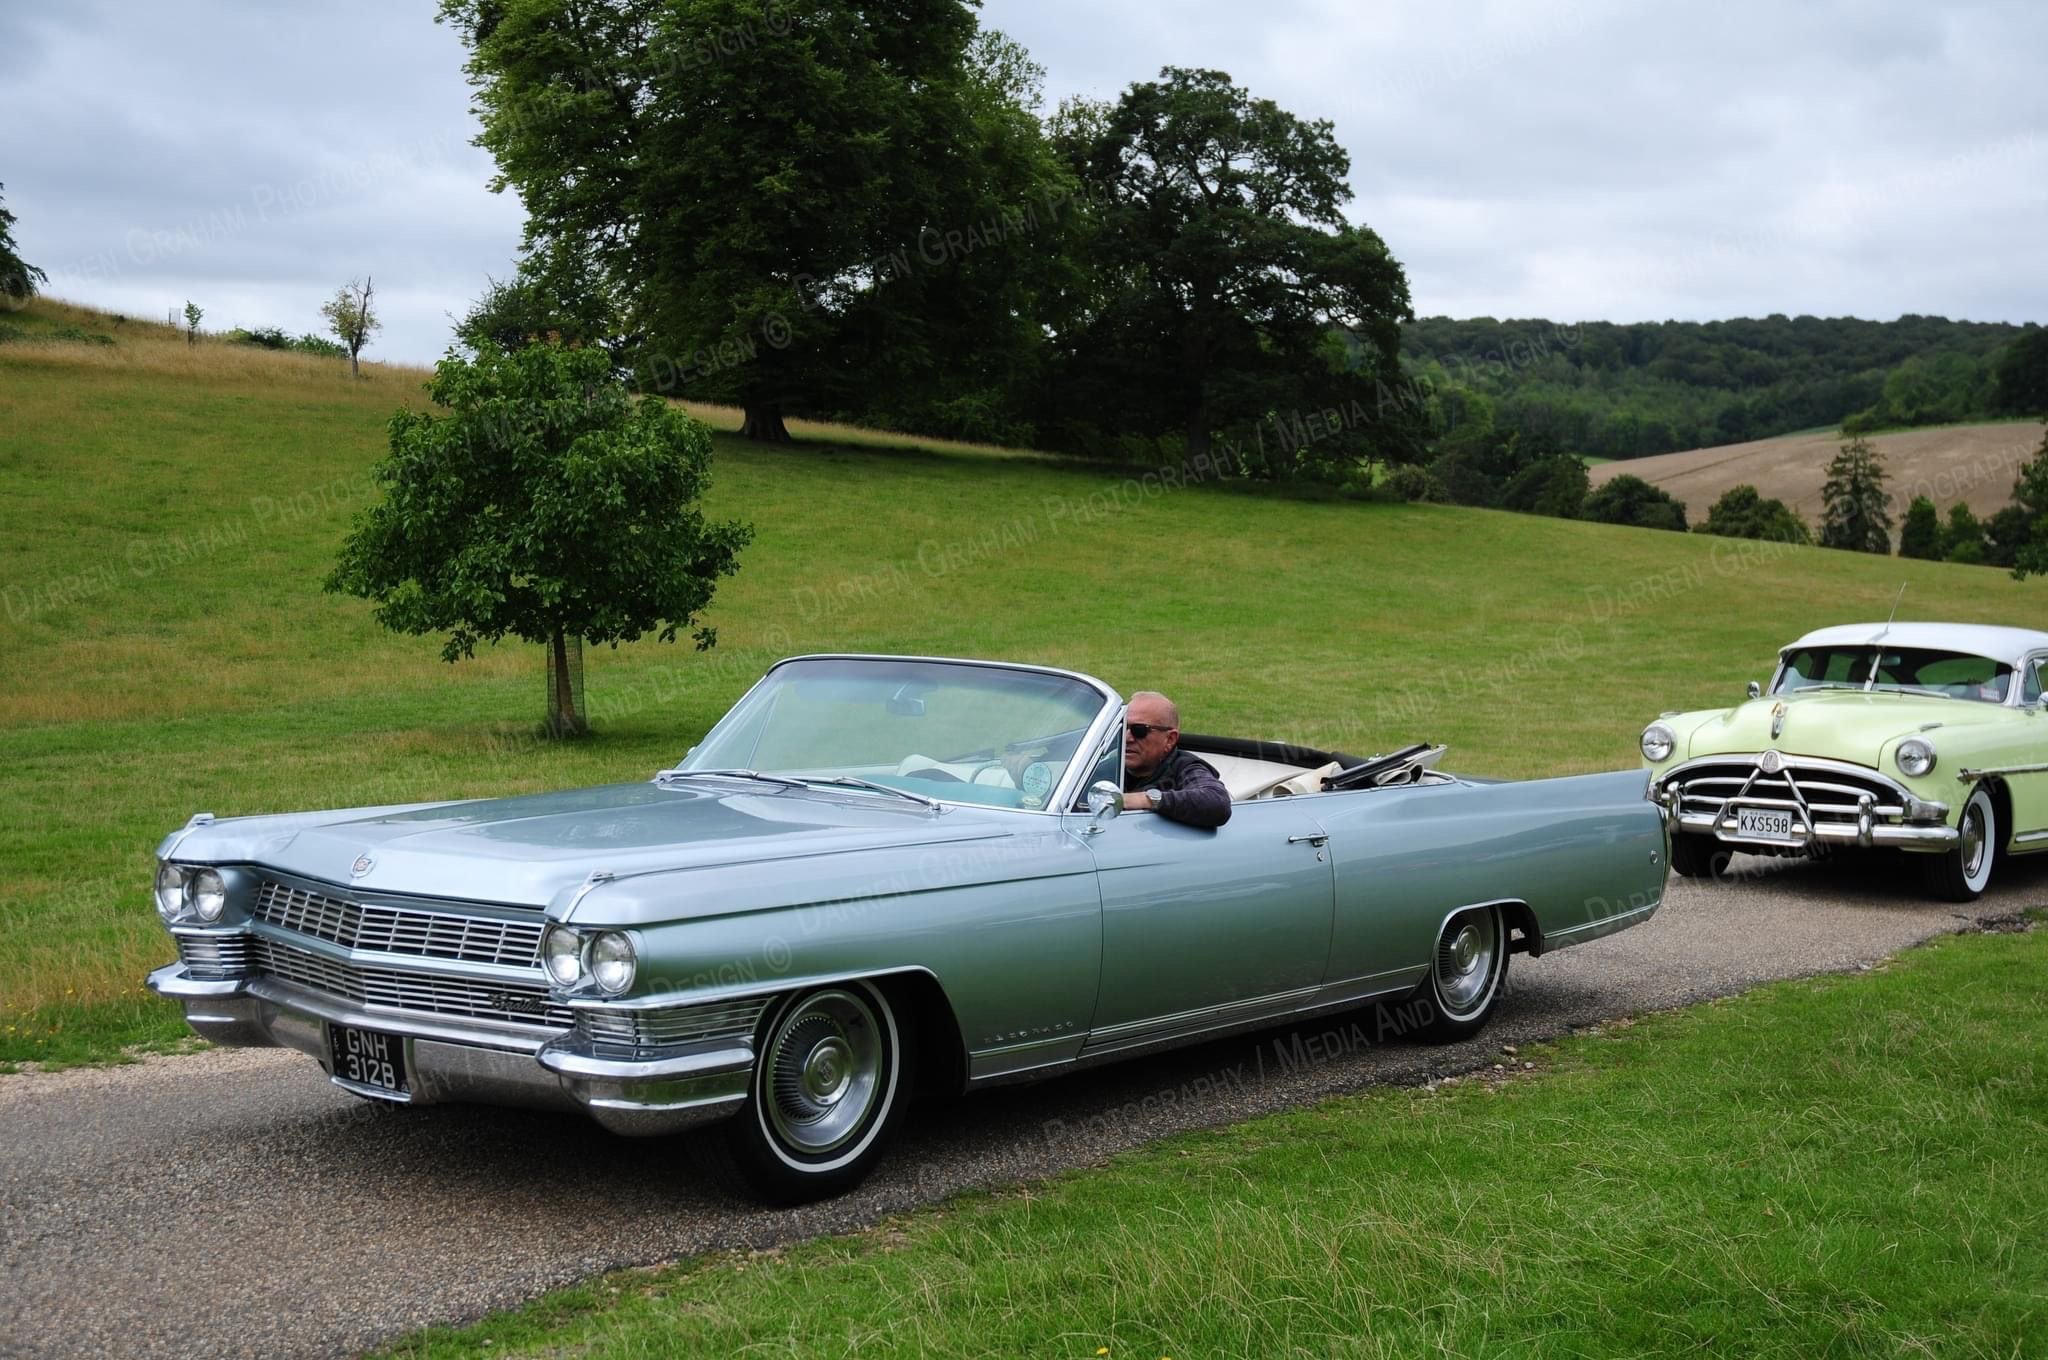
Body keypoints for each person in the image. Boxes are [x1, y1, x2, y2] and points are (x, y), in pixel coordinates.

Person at [1120, 690, 1231, 828]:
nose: (1127, 738)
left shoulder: (1184, 768)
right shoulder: (1104, 764)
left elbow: (1217, 803)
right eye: (1123, 727)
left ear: (1170, 739)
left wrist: (1146, 800)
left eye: (1139, 730)